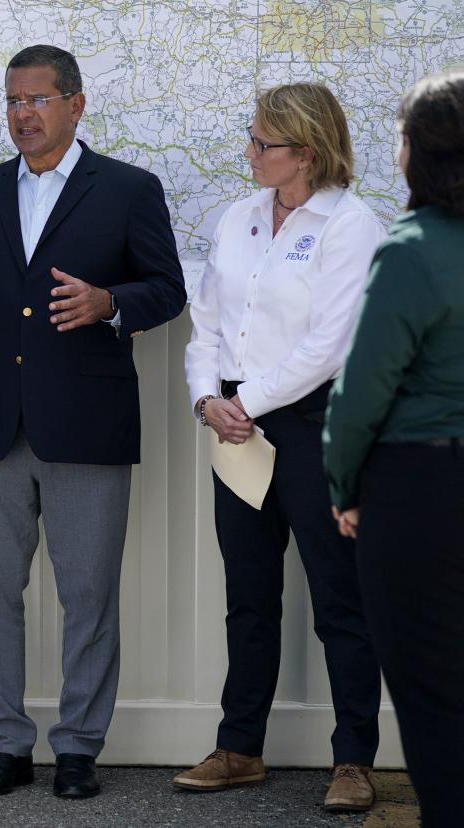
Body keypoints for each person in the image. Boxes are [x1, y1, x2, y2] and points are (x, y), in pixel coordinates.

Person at [0, 45, 185, 799]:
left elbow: (165, 288)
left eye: (38, 100)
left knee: (89, 594)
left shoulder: (130, 189)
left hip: (88, 420)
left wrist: (110, 305)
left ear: (75, 104)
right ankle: (4, 743)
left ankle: (78, 747)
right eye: (12, 101)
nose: (23, 114)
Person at [177, 83, 385, 812]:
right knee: (249, 596)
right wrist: (207, 399)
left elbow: (330, 345)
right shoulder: (239, 218)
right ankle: (240, 748)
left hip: (311, 423)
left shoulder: (351, 224)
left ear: (307, 150)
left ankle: (354, 759)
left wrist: (244, 402)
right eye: (253, 137)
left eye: (263, 143)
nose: (250, 152)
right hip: (235, 421)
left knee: (340, 599)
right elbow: (205, 321)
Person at [324, 69, 464, 828]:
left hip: (424, 493)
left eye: (403, 138)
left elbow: (360, 394)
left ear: (424, 154)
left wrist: (344, 486)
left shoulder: (411, 249)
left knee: (437, 702)